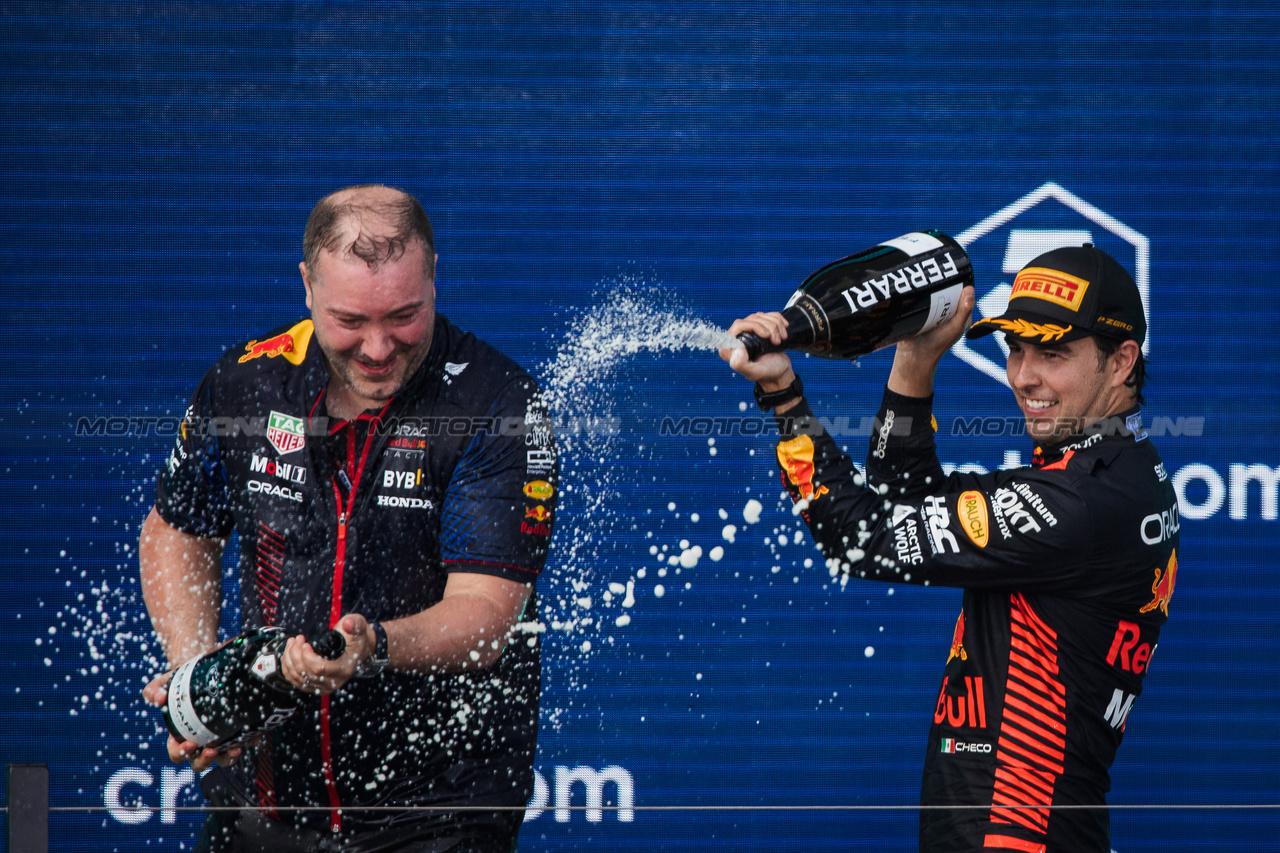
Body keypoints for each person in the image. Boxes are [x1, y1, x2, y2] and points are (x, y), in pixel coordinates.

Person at [140, 184, 557, 852]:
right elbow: (178, 527)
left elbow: (485, 614)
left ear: (434, 278)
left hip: (439, 815)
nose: (377, 346)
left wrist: (372, 647)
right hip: (262, 807)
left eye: (403, 316)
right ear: (306, 286)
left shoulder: (499, 404)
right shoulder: (247, 382)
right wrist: (202, 676)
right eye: (350, 320)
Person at [721, 244, 1178, 853]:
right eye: (1015, 349)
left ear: (1121, 362)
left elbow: (863, 538)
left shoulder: (1083, 501)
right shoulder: (1116, 471)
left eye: (1053, 353)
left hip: (1014, 835)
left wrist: (783, 396)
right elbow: (906, 499)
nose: (1022, 376)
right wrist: (914, 359)